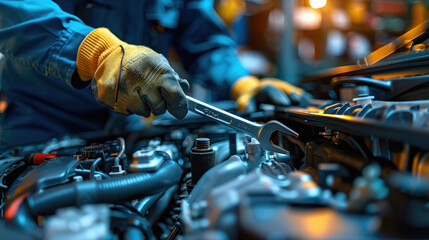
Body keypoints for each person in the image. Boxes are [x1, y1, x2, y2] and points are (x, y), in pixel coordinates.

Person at [0, 0, 308, 147]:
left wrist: (242, 83)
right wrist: (95, 51)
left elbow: (205, 40)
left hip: (123, 129)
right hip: (37, 129)